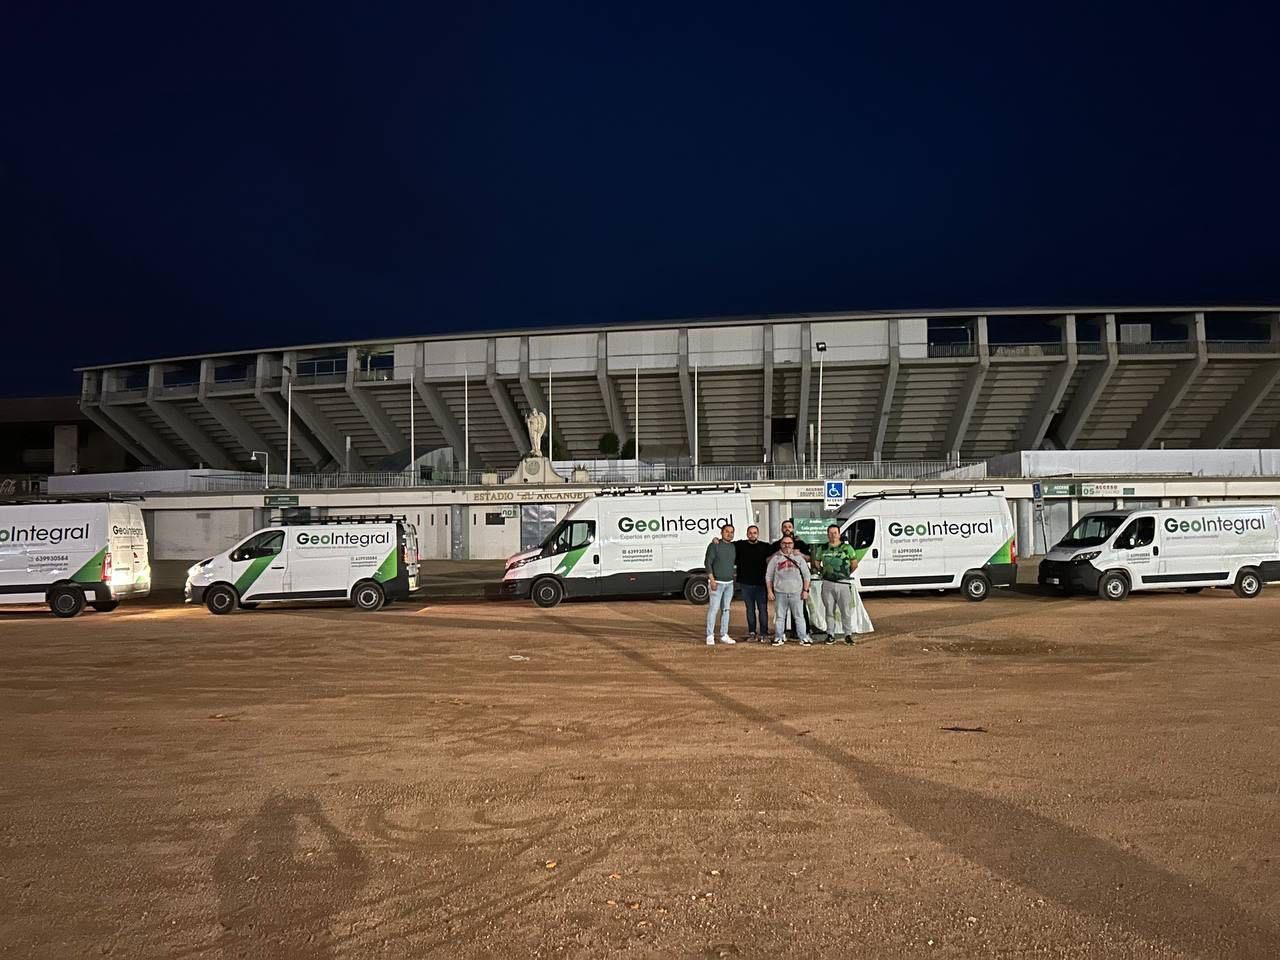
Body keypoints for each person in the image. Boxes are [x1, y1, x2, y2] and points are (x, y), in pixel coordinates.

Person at [811, 523, 859, 645]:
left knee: (845, 611)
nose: (833, 535)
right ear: (827, 534)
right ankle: (830, 634)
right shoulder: (823, 548)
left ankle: (848, 634)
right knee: (829, 611)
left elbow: (854, 563)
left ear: (839, 534)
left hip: (843, 583)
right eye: (830, 533)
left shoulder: (847, 548)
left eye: (835, 533)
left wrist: (845, 573)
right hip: (827, 583)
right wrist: (823, 571)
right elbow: (817, 562)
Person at [766, 535, 812, 645]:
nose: (787, 546)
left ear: (793, 545)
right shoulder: (775, 559)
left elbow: (807, 576)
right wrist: (769, 591)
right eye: (784, 543)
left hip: (797, 592)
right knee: (780, 617)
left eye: (789, 543)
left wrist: (805, 590)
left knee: (799, 617)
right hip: (780, 592)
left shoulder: (799, 558)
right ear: (781, 545)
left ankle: (803, 637)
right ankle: (778, 637)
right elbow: (768, 576)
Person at [733, 525, 772, 641]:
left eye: (754, 532)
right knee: (750, 609)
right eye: (750, 533)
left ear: (758, 534)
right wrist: (716, 540)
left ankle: (764, 633)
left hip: (761, 584)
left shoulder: (765, 546)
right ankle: (752, 632)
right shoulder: (740, 545)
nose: (752, 535)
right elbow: (726, 543)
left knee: (763, 609)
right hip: (746, 584)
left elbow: (779, 548)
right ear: (747, 534)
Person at [704, 523, 738, 646]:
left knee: (726, 609)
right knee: (713, 610)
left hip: (729, 583)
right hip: (716, 583)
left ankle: (724, 634)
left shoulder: (734, 547)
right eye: (727, 531)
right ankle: (710, 635)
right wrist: (711, 579)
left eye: (731, 532)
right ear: (721, 532)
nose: (729, 534)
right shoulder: (714, 545)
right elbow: (707, 562)